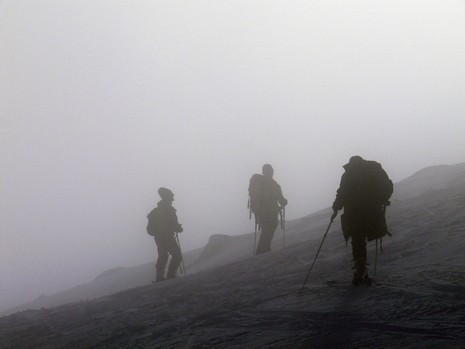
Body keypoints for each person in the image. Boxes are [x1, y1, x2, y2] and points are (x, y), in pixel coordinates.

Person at [332, 156, 393, 285]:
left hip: (353, 214)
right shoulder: (373, 170)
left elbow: (342, 192)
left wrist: (336, 206)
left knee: (357, 240)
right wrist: (382, 199)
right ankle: (362, 270)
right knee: (362, 238)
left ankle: (360, 269)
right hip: (372, 211)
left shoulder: (348, 175)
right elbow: (387, 186)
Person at [249, 164, 288, 255]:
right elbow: (280, 198)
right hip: (268, 212)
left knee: (267, 231)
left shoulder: (268, 184)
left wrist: (282, 201)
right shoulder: (273, 184)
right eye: (270, 171)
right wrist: (284, 201)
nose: (272, 172)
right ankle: (262, 251)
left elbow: (279, 198)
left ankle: (264, 250)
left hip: (264, 212)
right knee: (268, 230)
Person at [147, 187, 184, 282]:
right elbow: (172, 224)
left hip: (162, 237)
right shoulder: (168, 210)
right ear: (167, 197)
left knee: (165, 256)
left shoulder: (163, 210)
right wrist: (177, 228)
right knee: (171, 255)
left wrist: (177, 227)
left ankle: (161, 277)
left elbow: (172, 224)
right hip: (164, 237)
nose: (173, 198)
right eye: (171, 196)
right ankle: (168, 275)